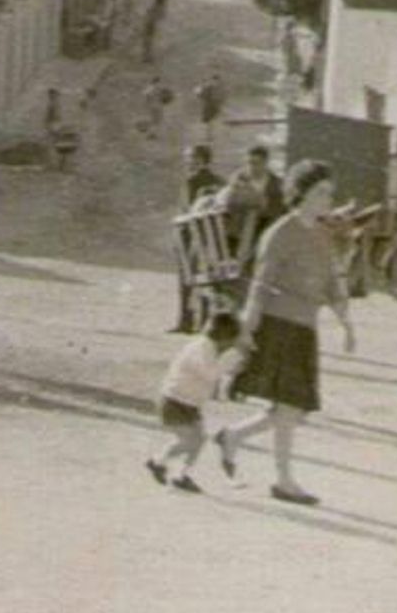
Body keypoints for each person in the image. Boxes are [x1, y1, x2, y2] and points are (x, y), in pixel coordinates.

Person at [217, 160, 356, 506]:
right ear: (301, 193)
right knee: (291, 407)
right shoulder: (280, 232)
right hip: (278, 326)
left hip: (304, 330)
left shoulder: (322, 235)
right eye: (321, 192)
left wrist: (346, 323)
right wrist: (246, 332)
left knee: (293, 409)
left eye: (329, 193)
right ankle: (283, 480)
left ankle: (233, 437)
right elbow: (260, 287)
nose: (328, 199)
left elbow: (331, 284)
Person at [146, 312, 242, 493]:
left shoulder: (209, 348)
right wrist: (229, 361)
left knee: (197, 440)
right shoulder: (202, 347)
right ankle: (160, 462)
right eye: (230, 341)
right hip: (174, 401)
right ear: (224, 338)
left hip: (189, 403)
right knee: (190, 440)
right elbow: (210, 374)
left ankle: (178, 473)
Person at [171, 145, 226, 334]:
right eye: (188, 158)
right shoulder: (220, 181)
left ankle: (186, 321)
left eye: (193, 158)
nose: (189, 162)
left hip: (190, 234)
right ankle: (202, 322)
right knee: (206, 280)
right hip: (211, 237)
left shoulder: (192, 180)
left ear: (202, 159)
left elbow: (187, 210)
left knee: (187, 280)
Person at [229, 145, 287, 242]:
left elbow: (279, 210)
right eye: (249, 163)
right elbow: (230, 203)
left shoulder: (276, 184)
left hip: (266, 230)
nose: (252, 167)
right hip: (240, 231)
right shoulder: (238, 180)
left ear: (265, 163)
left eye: (256, 163)